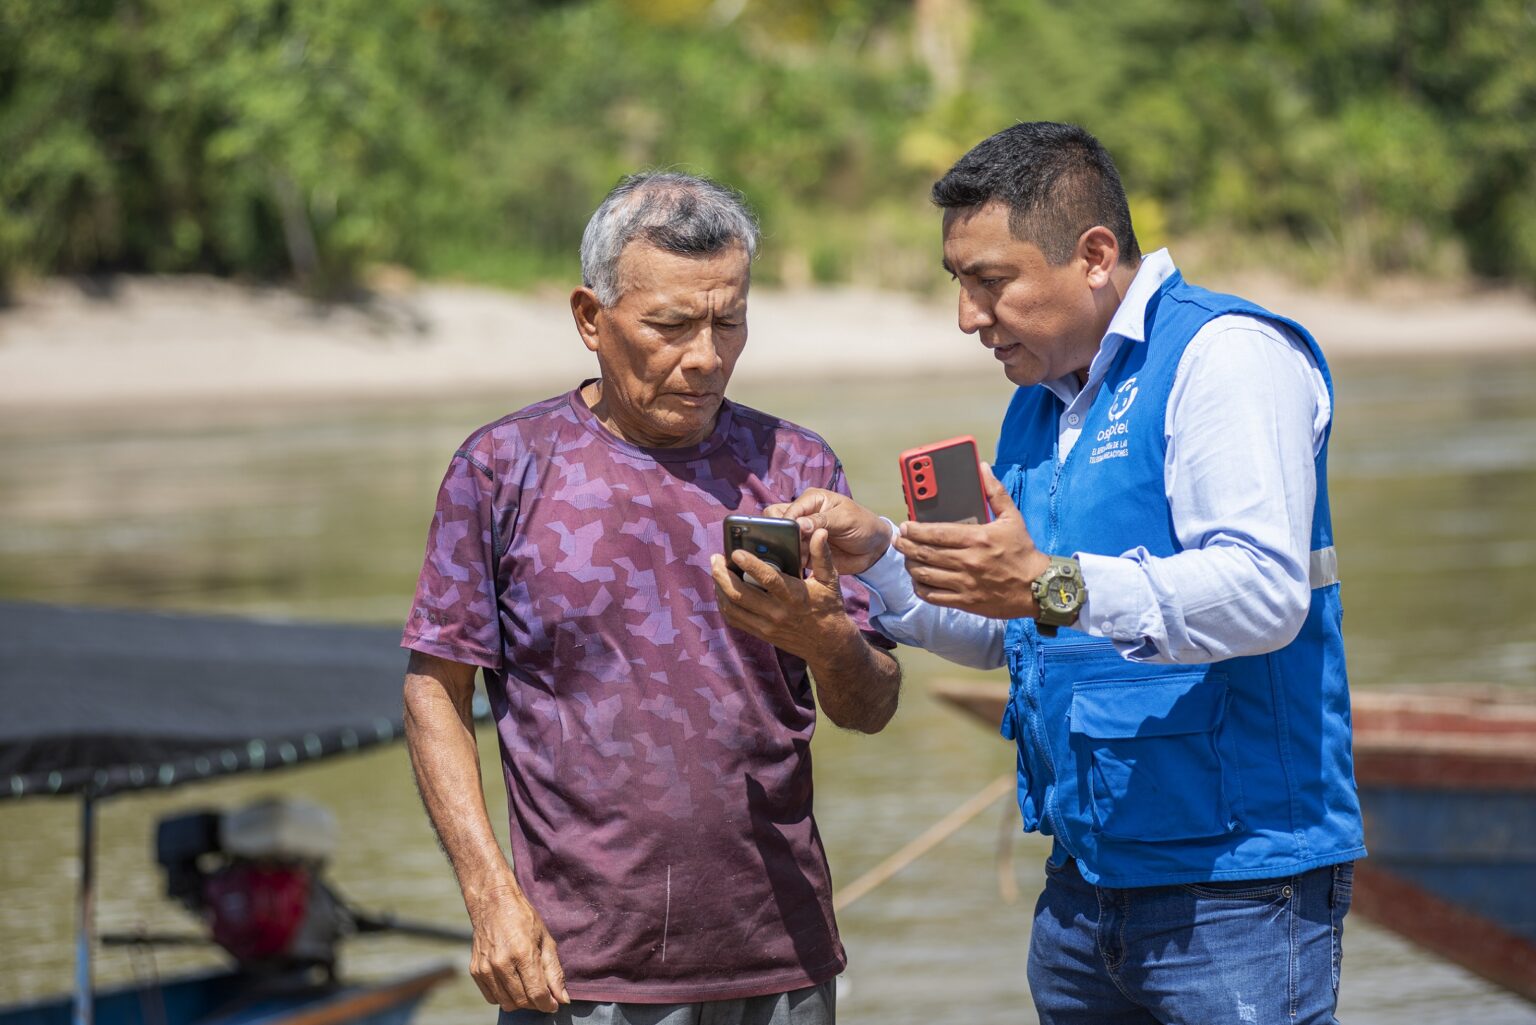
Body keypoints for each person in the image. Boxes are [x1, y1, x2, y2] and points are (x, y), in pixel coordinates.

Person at [773, 122, 1364, 1024]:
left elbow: (1263, 594)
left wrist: (1050, 583)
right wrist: (884, 554)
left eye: (991, 281)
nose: (968, 316)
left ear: (1094, 256)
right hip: (1084, 883)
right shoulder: (1039, 403)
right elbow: (1012, 623)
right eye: (957, 283)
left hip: (1237, 887)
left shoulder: (1226, 357)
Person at [401, 171, 901, 1025]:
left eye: (729, 320)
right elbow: (433, 691)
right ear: (591, 319)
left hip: (780, 959)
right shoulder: (502, 468)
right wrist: (491, 899)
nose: (704, 355)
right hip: (579, 970)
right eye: (670, 325)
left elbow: (871, 703)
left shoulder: (795, 467)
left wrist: (827, 640)